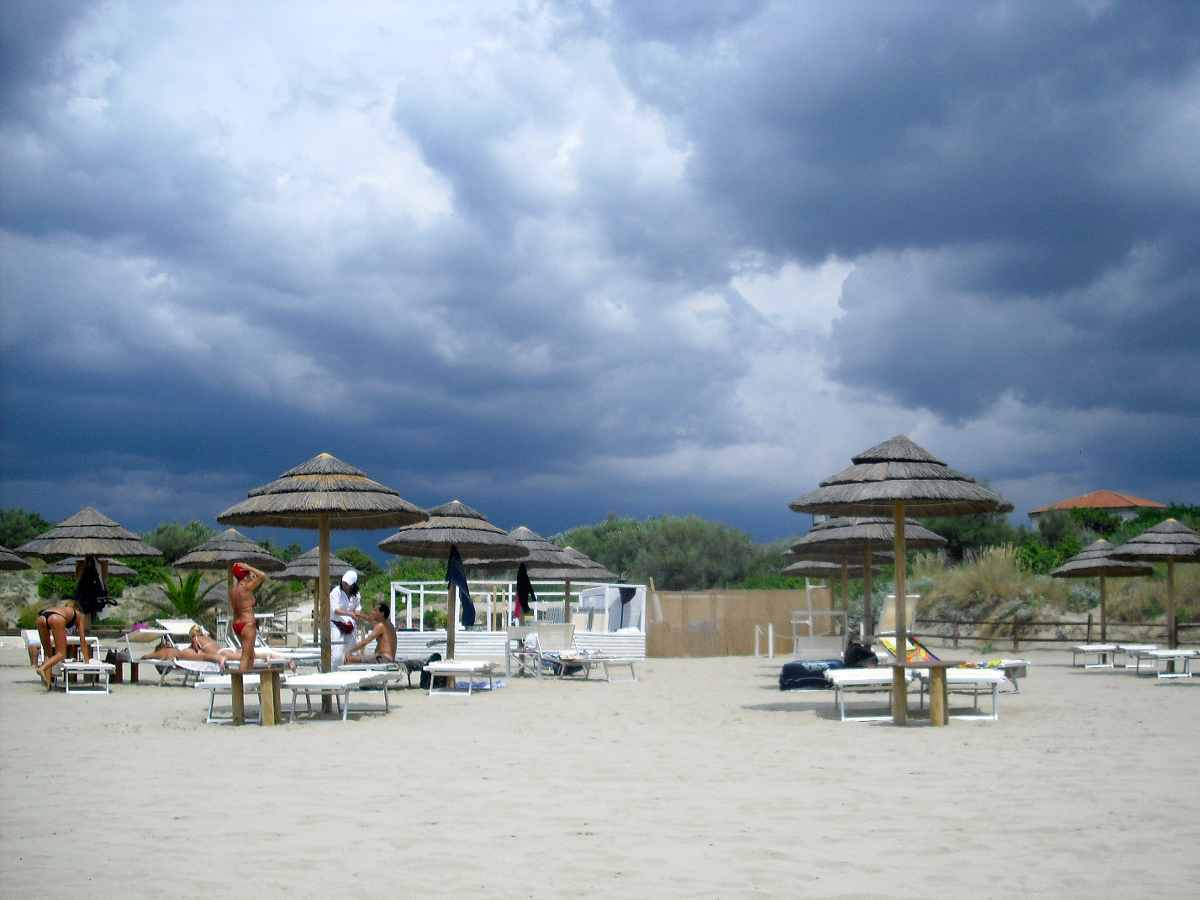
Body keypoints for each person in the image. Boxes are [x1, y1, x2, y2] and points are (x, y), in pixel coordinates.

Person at [33, 555, 111, 689]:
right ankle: (42, 668)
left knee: (48, 653)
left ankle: (48, 682)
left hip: (42, 617)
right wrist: (86, 660)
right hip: (56, 618)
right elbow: (82, 640)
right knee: (61, 653)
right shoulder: (78, 614)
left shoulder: (64, 608)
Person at [229, 562, 267, 674]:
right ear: (245, 574)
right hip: (247, 624)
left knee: (250, 655)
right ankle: (240, 684)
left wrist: (249, 574)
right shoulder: (246, 587)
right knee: (245, 656)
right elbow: (263, 576)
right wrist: (249, 567)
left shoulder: (234, 591)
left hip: (236, 624)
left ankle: (247, 680)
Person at [329, 569, 364, 668]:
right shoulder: (335, 592)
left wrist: (357, 612)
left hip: (350, 625)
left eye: (347, 583)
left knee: (351, 652)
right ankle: (334, 672)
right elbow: (336, 610)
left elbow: (358, 607)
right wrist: (350, 614)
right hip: (336, 623)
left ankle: (349, 671)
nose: (344, 584)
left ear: (353, 584)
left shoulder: (356, 594)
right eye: (343, 582)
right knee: (337, 654)